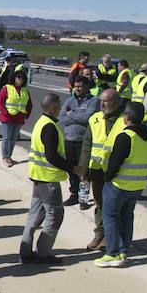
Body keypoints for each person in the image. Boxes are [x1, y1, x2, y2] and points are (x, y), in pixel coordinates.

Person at [97, 102, 147, 267]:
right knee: (127, 217)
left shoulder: (125, 136)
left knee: (110, 217)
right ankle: (123, 251)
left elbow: (114, 163)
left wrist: (107, 178)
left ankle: (113, 253)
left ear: (127, 117)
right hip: (137, 186)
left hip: (119, 184)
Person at [22, 93, 76, 266]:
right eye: (58, 106)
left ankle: (25, 252)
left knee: (35, 214)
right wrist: (72, 168)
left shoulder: (41, 122)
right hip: (47, 178)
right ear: (52, 107)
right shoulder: (50, 127)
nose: (60, 109)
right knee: (55, 215)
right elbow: (52, 156)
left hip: (38, 175)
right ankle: (43, 253)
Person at [79, 87, 124, 251]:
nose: (102, 104)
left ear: (116, 102)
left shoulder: (123, 120)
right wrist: (84, 170)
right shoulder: (95, 119)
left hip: (116, 172)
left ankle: (111, 238)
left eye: (106, 101)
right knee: (99, 205)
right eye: (101, 101)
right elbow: (87, 145)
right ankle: (99, 234)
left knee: (114, 207)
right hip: (97, 170)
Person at [59, 74, 99, 206]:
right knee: (72, 169)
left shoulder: (93, 101)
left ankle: (83, 198)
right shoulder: (70, 101)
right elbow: (62, 118)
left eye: (80, 86)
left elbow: (88, 118)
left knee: (84, 171)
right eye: (75, 86)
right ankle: (74, 194)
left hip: (83, 141)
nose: (77, 89)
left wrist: (72, 115)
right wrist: (76, 117)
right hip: (69, 139)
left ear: (87, 87)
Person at [0, 69, 32, 167]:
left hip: (19, 118)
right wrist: (5, 112)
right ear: (14, 78)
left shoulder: (25, 90)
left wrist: (27, 114)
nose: (20, 80)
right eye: (18, 77)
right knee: (6, 138)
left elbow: (29, 104)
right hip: (7, 117)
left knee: (13, 138)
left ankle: (9, 157)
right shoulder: (7, 88)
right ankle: (5, 157)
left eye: (23, 78)